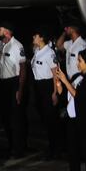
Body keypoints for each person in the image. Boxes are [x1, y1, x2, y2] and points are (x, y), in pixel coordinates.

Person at [54, 49, 86, 171]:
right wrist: (59, 85)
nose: (77, 63)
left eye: (80, 61)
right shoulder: (77, 76)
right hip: (72, 118)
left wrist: (64, 80)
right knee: (73, 152)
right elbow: (67, 96)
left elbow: (79, 96)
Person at [0, 22, 27, 157]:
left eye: (0, 28)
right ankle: (11, 146)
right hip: (3, 82)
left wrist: (20, 89)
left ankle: (18, 149)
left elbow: (23, 68)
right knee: (6, 116)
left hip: (14, 82)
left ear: (8, 31)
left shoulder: (17, 45)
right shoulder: (1, 44)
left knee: (15, 117)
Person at [30, 29, 61, 160]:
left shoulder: (49, 53)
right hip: (39, 86)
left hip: (48, 86)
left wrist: (55, 92)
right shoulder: (37, 51)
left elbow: (55, 74)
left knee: (51, 119)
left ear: (42, 38)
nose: (33, 37)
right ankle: (51, 146)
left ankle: (55, 149)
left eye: (36, 35)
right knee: (45, 118)